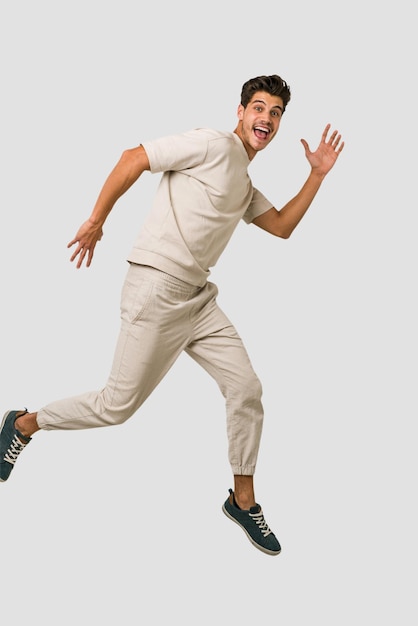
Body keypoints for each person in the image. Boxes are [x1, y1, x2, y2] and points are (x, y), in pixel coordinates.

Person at [0, 74, 344, 555]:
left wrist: (317, 175)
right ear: (241, 112)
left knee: (246, 388)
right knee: (116, 407)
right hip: (156, 288)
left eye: (276, 112)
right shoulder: (211, 143)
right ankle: (24, 424)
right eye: (259, 108)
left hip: (198, 299)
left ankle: (243, 501)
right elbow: (134, 158)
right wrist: (98, 219)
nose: (266, 118)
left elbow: (282, 226)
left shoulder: (243, 184)